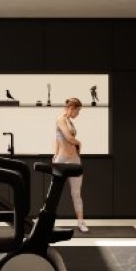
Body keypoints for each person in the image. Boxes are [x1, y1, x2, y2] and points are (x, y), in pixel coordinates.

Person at [54, 97, 88, 233]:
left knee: (76, 192)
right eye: (77, 111)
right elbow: (67, 138)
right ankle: (48, 221)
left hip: (74, 159)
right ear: (72, 108)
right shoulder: (60, 119)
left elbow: (59, 138)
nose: (78, 114)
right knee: (55, 192)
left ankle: (81, 222)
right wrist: (79, 143)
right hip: (62, 160)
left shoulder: (70, 122)